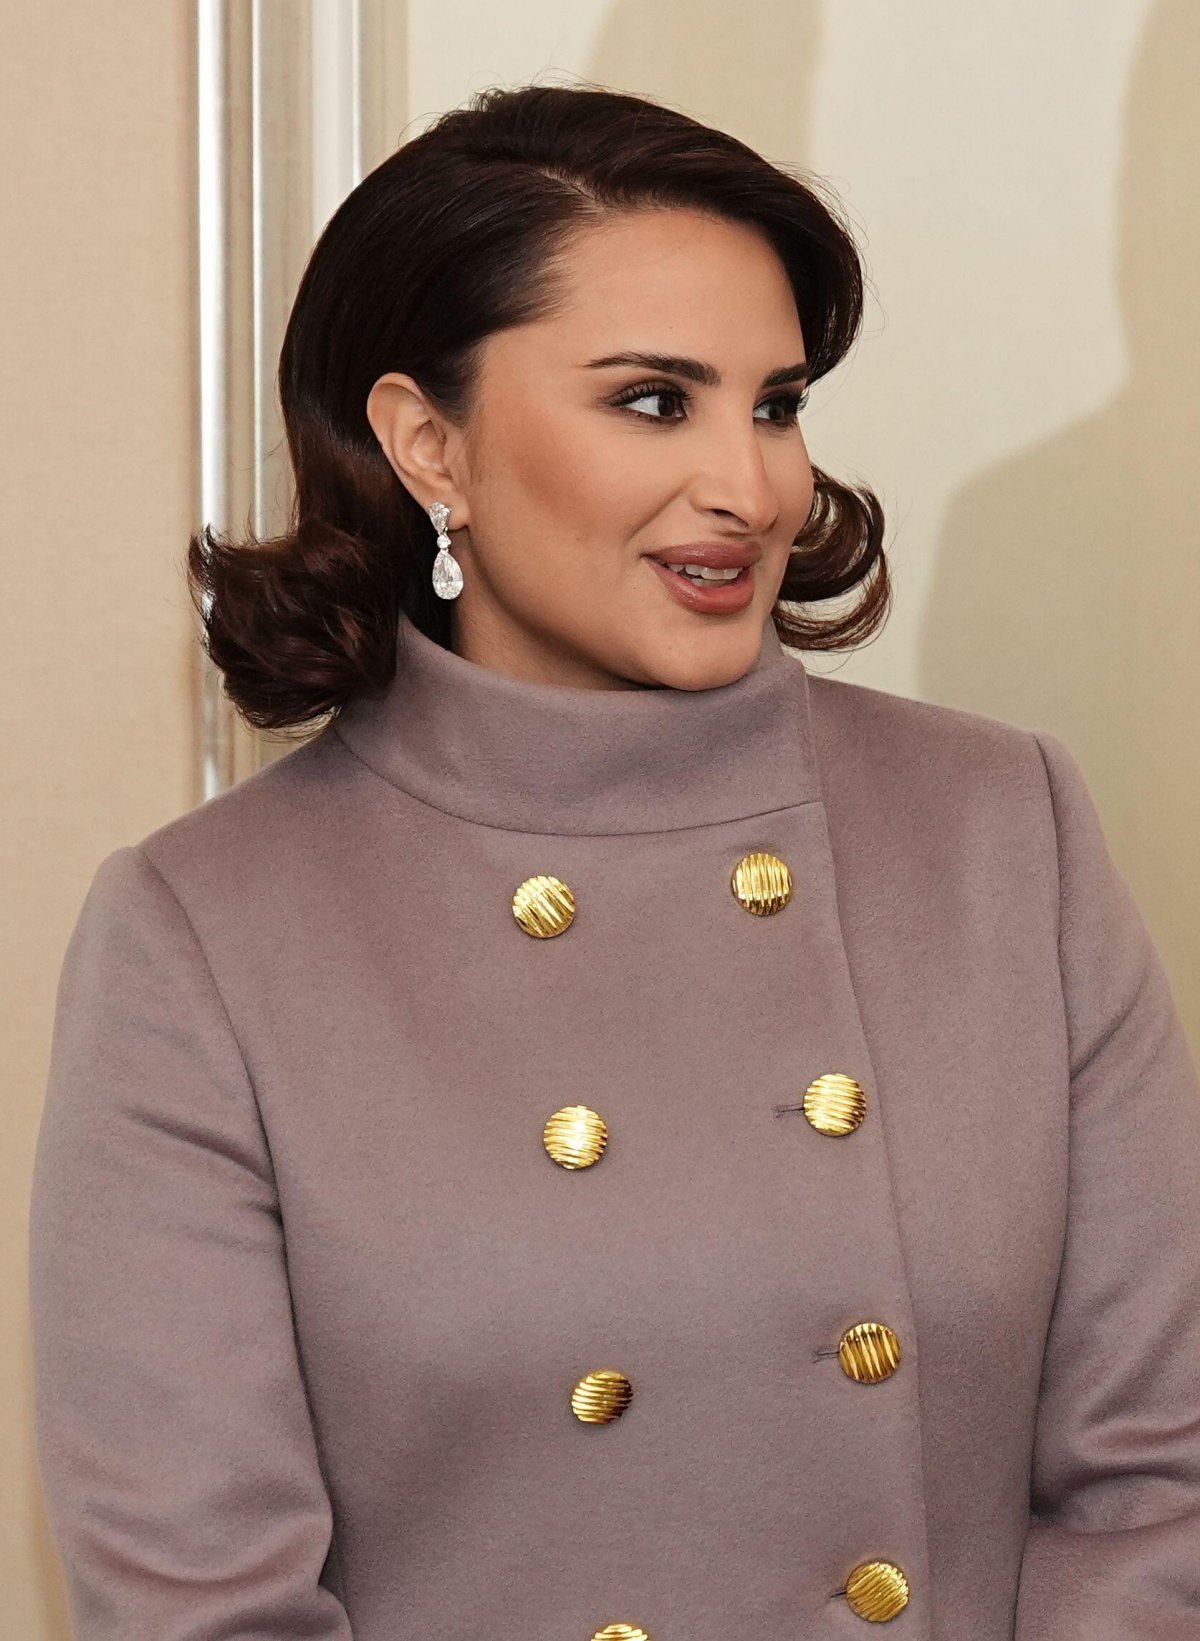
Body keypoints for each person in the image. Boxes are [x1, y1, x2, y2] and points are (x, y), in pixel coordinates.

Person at [28, 82, 1200, 1641]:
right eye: (656, 400)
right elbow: (200, 1601)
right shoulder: (208, 934)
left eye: (773, 403)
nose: (753, 484)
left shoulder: (1003, 831)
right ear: (429, 443)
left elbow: (1154, 1484)